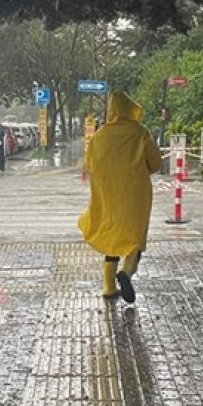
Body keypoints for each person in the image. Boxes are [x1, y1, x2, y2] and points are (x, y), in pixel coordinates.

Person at [78, 91, 162, 304]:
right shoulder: (140, 133)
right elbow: (155, 163)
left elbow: (90, 164)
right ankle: (126, 272)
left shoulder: (99, 135)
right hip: (135, 195)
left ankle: (108, 286)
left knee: (111, 238)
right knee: (134, 238)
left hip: (108, 194)